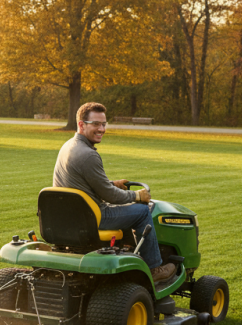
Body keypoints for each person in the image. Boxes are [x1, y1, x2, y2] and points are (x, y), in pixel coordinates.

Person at [52, 102, 176, 284]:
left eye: (103, 124)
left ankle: (127, 250)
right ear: (81, 124)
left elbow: (86, 183)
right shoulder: (88, 155)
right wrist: (137, 196)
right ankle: (154, 268)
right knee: (141, 212)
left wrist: (112, 184)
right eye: (95, 124)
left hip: (72, 216)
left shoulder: (69, 146)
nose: (101, 129)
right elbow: (111, 196)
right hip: (91, 217)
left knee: (128, 210)